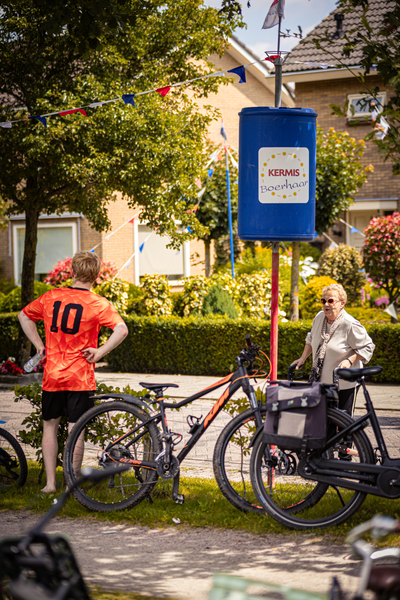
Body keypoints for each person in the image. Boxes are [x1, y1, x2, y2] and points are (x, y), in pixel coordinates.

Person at [18, 251, 129, 493]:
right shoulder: (98, 303)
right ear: (96, 276)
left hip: (53, 375)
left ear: (72, 273)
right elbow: (121, 330)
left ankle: (49, 484)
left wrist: (39, 345)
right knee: (75, 430)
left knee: (50, 426)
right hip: (80, 377)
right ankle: (71, 483)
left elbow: (23, 316)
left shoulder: (51, 296)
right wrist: (100, 352)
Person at [292, 283, 375, 415]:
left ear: (342, 303)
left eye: (330, 301)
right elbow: (310, 339)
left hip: (345, 384)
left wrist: (349, 360)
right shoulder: (319, 317)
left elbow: (368, 346)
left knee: (344, 425)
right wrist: (302, 358)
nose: (326, 304)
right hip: (322, 384)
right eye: (323, 300)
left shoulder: (350, 324)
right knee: (323, 425)